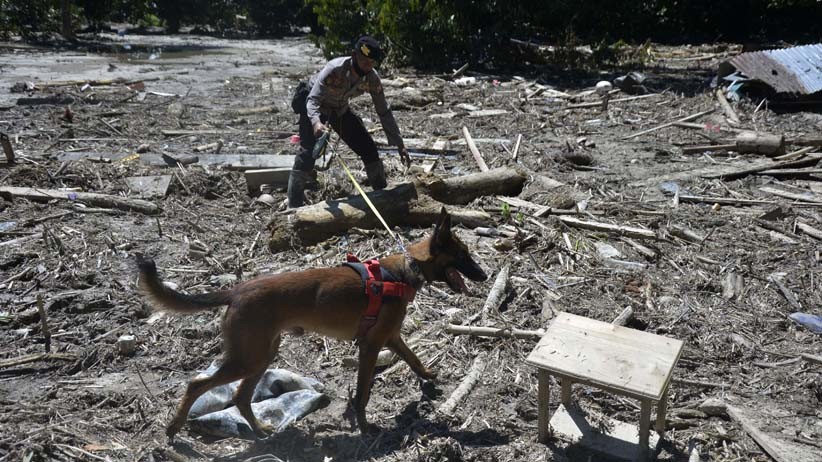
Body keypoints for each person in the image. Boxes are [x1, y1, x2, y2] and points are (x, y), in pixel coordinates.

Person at [287, 35, 411, 208]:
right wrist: (316, 123)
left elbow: (384, 110)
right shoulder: (334, 69)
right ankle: (293, 206)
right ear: (354, 56)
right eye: (364, 62)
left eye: (371, 63)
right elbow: (312, 100)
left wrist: (399, 143)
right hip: (316, 108)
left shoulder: (372, 78)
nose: (368, 67)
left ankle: (382, 197)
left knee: (368, 148)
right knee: (307, 154)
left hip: (339, 109)